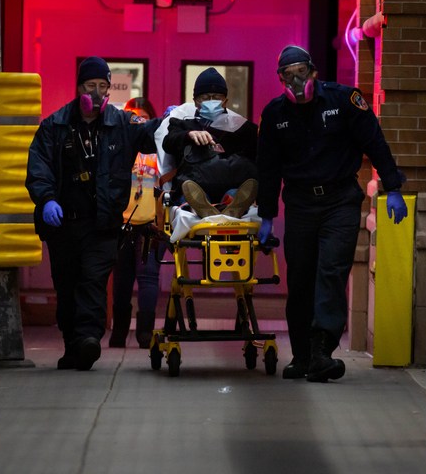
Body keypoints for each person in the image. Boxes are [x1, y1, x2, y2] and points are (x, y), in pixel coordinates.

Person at [255, 45, 409, 383]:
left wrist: (392, 187)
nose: (295, 80)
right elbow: (267, 168)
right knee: (301, 279)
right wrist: (265, 215)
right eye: (287, 74)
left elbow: (375, 142)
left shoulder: (344, 101)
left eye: (300, 71)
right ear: (280, 79)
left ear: (313, 72)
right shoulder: (275, 115)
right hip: (300, 205)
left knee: (331, 271)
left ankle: (322, 351)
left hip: (340, 200)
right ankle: (301, 356)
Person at [26, 57, 162, 370]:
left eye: (103, 86)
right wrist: (46, 199)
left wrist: (170, 120)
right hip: (64, 225)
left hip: (102, 224)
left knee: (93, 279)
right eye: (91, 86)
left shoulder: (121, 123)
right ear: (79, 88)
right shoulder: (55, 125)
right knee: (67, 283)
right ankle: (74, 344)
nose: (99, 93)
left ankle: (89, 337)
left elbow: (148, 136)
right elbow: (39, 166)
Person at [160, 67, 259, 219]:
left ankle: (227, 207)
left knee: (235, 194)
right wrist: (188, 135)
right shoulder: (182, 125)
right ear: (195, 102)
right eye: (205, 98)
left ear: (225, 101)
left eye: (216, 97)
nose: (211, 102)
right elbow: (168, 142)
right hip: (196, 187)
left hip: (231, 185)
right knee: (193, 195)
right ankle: (205, 208)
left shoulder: (243, 128)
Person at [109, 98, 167, 349]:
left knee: (148, 277)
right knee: (121, 279)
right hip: (122, 221)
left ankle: (145, 333)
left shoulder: (160, 148)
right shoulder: (120, 145)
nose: (138, 122)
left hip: (152, 222)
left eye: (143, 117)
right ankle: (119, 332)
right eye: (133, 117)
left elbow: (170, 177)